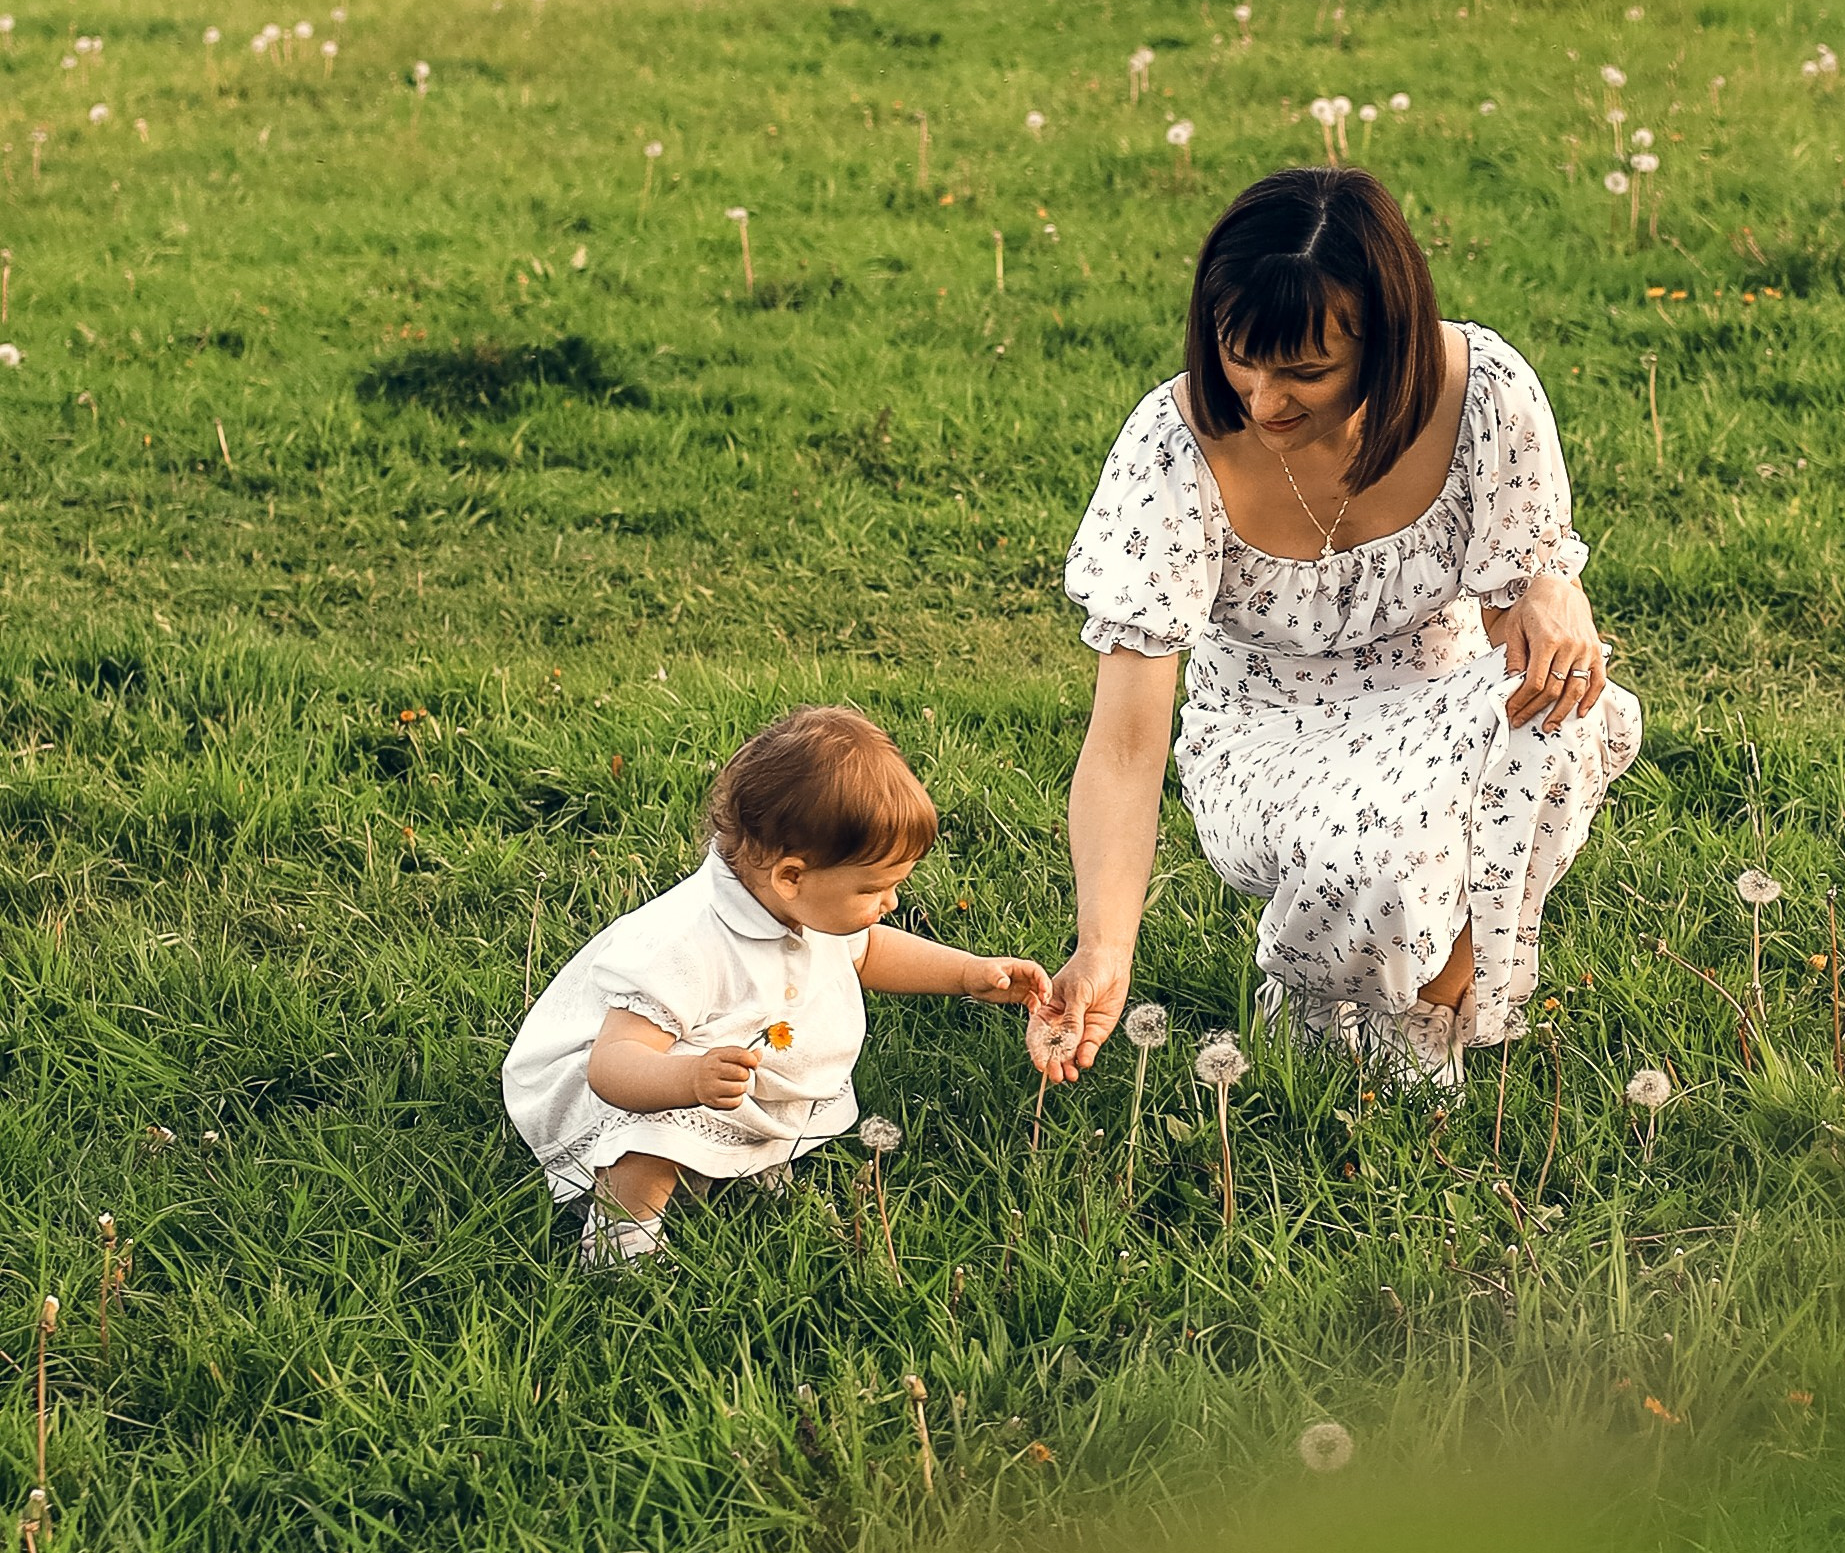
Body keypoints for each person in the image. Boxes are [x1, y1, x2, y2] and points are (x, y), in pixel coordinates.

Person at [1029, 167, 1641, 1091]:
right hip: (1269, 739)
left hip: (1439, 705)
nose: (1264, 401)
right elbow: (1123, 745)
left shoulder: (1483, 393)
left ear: (1384, 345)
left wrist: (1553, 590)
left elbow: (1522, 605)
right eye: (1241, 357)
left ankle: (1434, 1001)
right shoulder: (1173, 445)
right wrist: (1104, 949)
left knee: (1572, 712)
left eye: (1306, 371)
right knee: (1383, 842)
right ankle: (1330, 1007)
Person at [505, 704, 1048, 1261]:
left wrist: (966, 972)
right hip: (635, 1080)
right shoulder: (681, 942)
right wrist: (687, 1079)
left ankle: (738, 1161)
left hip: (721, 1068)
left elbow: (870, 952)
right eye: (873, 890)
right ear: (790, 876)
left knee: (742, 1086)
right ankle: (624, 1231)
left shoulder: (807, 905)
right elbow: (612, 1063)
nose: (891, 903)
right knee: (652, 1133)